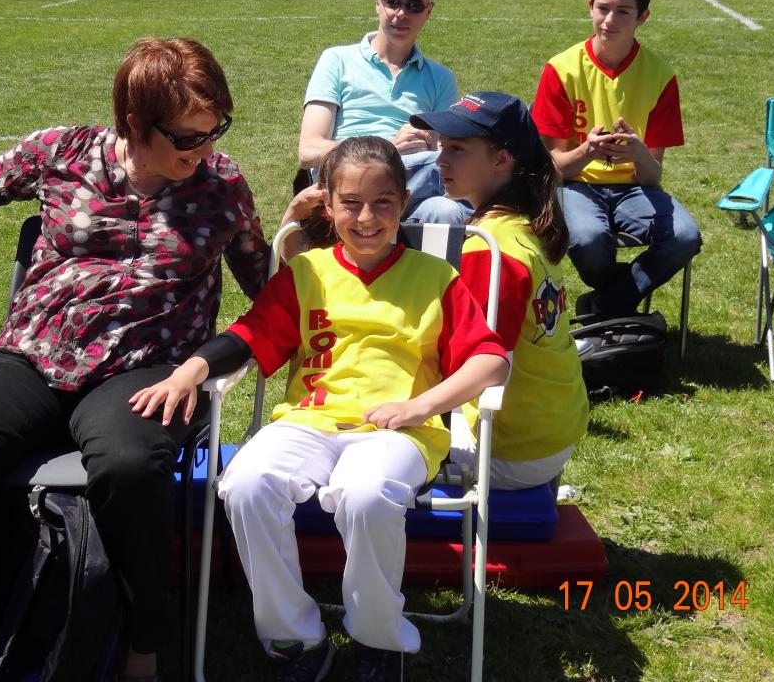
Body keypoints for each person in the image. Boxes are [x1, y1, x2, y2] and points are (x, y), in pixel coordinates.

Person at [0, 37, 308, 682]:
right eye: (186, 137)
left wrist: (307, 235)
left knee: (129, 466)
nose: (203, 150)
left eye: (213, 131)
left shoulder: (221, 185)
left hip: (151, 364)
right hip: (36, 353)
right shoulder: (65, 151)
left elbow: (268, 286)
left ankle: (142, 651)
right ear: (134, 123)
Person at [130, 136, 508, 682]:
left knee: (366, 494)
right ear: (327, 205)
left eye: (382, 202)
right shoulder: (307, 272)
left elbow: (491, 362)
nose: (367, 218)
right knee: (246, 484)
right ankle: (294, 639)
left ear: (404, 202)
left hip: (396, 431)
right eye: (350, 203)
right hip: (309, 422)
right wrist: (191, 369)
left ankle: (378, 639)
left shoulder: (435, 278)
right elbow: (251, 334)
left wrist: (421, 405)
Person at [411, 92, 589, 489]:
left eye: (457, 149)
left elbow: (487, 369)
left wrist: (413, 408)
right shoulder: (526, 223)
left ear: (501, 159)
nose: (440, 160)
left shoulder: (490, 249)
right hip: (551, 430)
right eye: (442, 146)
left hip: (510, 450)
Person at [531, 0, 702, 319]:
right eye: (603, 8)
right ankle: (618, 303)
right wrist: (587, 150)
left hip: (634, 190)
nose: (610, 20)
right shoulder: (561, 69)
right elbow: (552, 168)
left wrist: (639, 153)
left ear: (643, 17)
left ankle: (602, 306)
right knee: (589, 239)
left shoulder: (660, 76)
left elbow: (652, 176)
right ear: (590, 7)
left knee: (685, 237)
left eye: (623, 11)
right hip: (575, 185)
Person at [297, 0, 467, 223]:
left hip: (412, 184)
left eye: (414, 6)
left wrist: (432, 145)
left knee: (447, 210)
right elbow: (308, 150)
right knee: (464, 173)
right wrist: (387, 147)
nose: (401, 13)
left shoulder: (441, 78)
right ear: (377, 4)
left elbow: (446, 150)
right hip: (350, 180)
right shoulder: (337, 60)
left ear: (428, 12)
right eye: (392, 2)